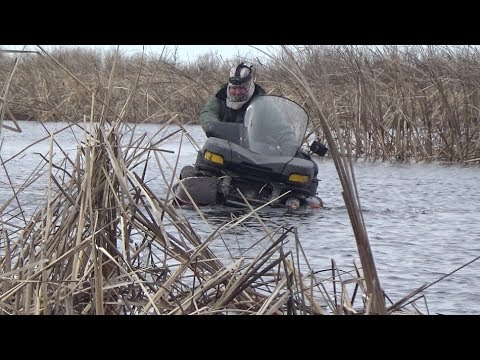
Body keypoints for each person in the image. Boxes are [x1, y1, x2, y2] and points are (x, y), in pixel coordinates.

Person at [199, 62, 266, 130]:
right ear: (229, 87)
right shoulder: (220, 95)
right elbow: (208, 113)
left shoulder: (262, 99)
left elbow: (272, 120)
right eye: (233, 88)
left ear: (250, 87)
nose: (237, 92)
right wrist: (215, 128)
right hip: (223, 137)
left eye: (242, 88)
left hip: (252, 139)